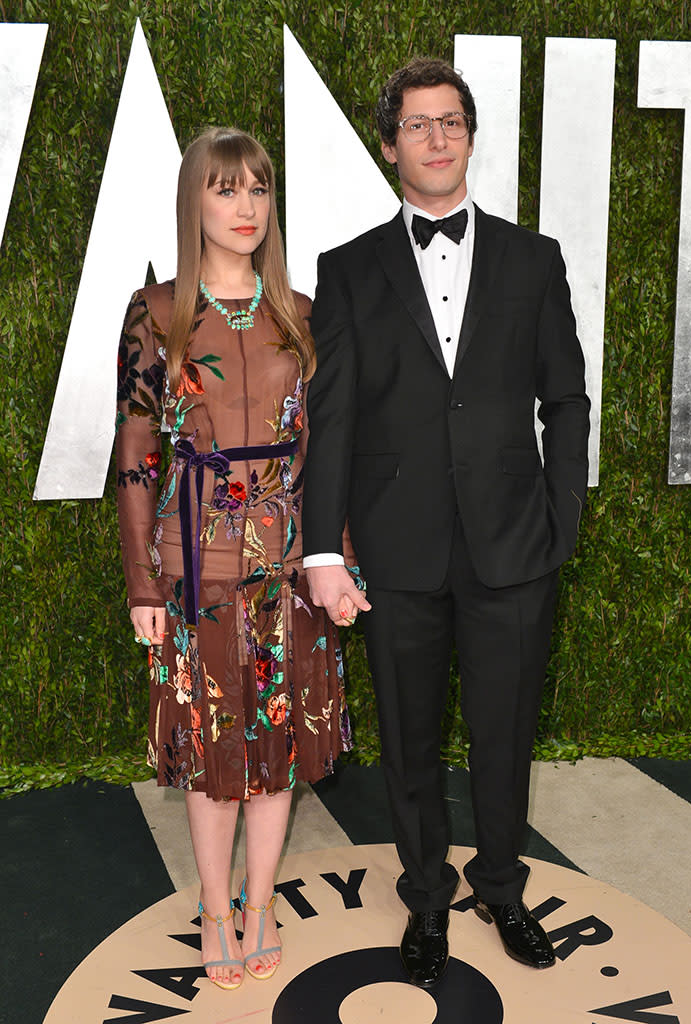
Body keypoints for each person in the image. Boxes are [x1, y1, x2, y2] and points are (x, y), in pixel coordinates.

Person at [302, 58, 590, 986]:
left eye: (451, 121)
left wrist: (562, 519)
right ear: (390, 146)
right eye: (417, 125)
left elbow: (567, 400)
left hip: (515, 543)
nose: (436, 137)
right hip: (396, 547)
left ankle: (501, 887)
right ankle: (426, 898)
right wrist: (319, 548)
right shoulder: (346, 270)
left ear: (469, 135)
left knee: (507, 734)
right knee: (410, 734)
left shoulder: (532, 258)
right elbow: (333, 417)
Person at [116, 127, 351, 991]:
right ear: (195, 202)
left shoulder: (304, 311)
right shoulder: (158, 311)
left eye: (257, 189)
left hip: (289, 565)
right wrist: (143, 580)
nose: (244, 206)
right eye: (225, 189)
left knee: (278, 747)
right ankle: (214, 907)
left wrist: (340, 560)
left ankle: (261, 902)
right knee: (215, 750)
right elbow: (139, 449)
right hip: (195, 566)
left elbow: (329, 450)